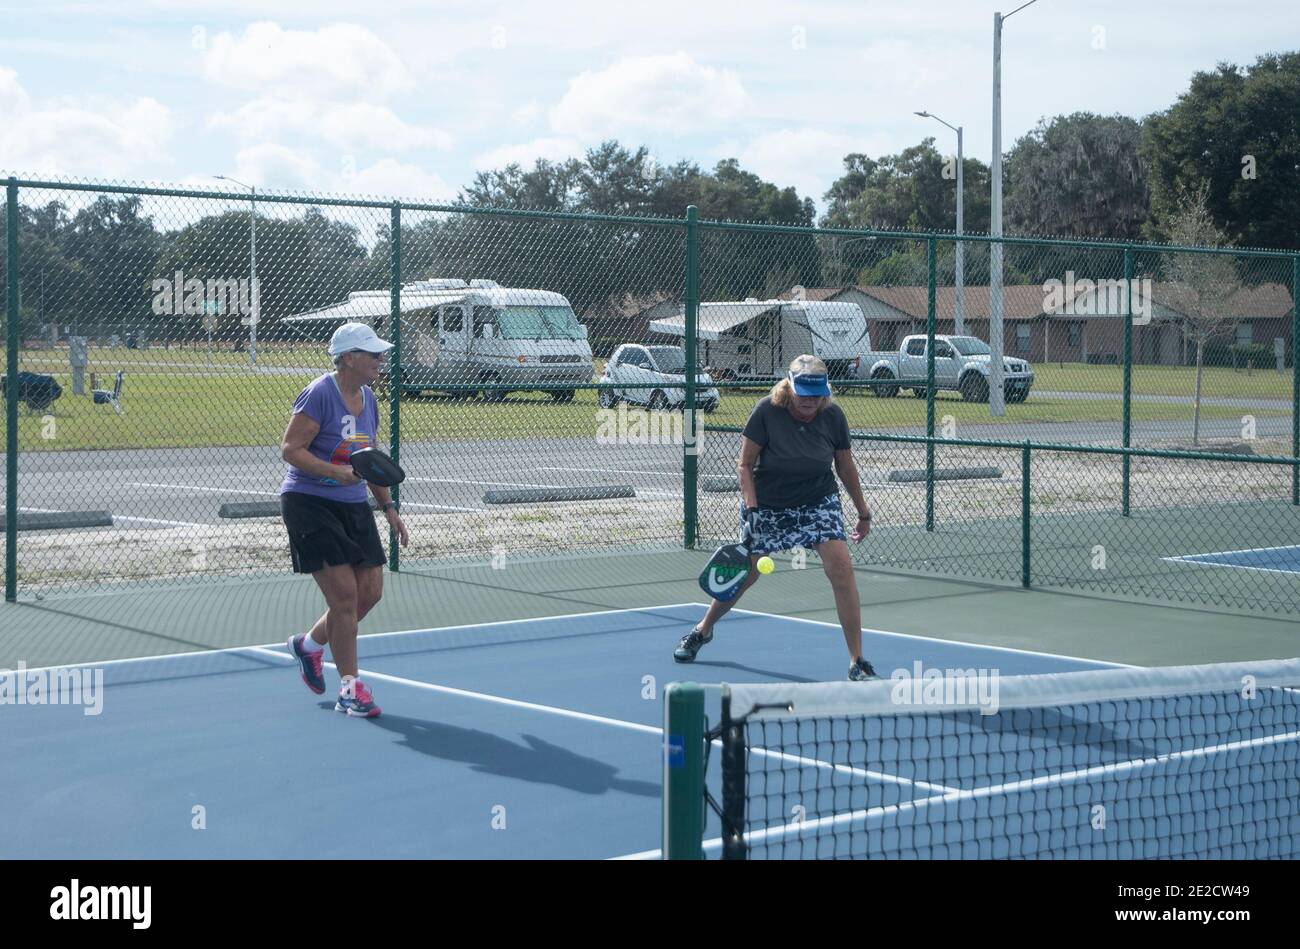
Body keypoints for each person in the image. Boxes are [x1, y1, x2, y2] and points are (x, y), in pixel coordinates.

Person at [675, 354, 879, 681]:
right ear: (789, 387)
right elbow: (744, 465)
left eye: (817, 395)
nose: (811, 402)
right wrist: (752, 508)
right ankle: (703, 630)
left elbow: (844, 467)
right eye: (804, 395)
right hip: (768, 504)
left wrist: (863, 512)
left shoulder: (833, 416)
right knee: (748, 574)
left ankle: (856, 659)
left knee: (841, 566)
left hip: (816, 500)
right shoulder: (766, 412)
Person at [280, 322, 410, 717]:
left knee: (369, 594)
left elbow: (367, 460)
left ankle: (309, 645)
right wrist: (334, 472)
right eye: (372, 354)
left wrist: (389, 509)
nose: (380, 360)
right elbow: (290, 449)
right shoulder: (320, 394)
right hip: (310, 502)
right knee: (344, 599)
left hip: (353, 505)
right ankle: (350, 690)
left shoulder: (368, 398)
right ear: (348, 358)